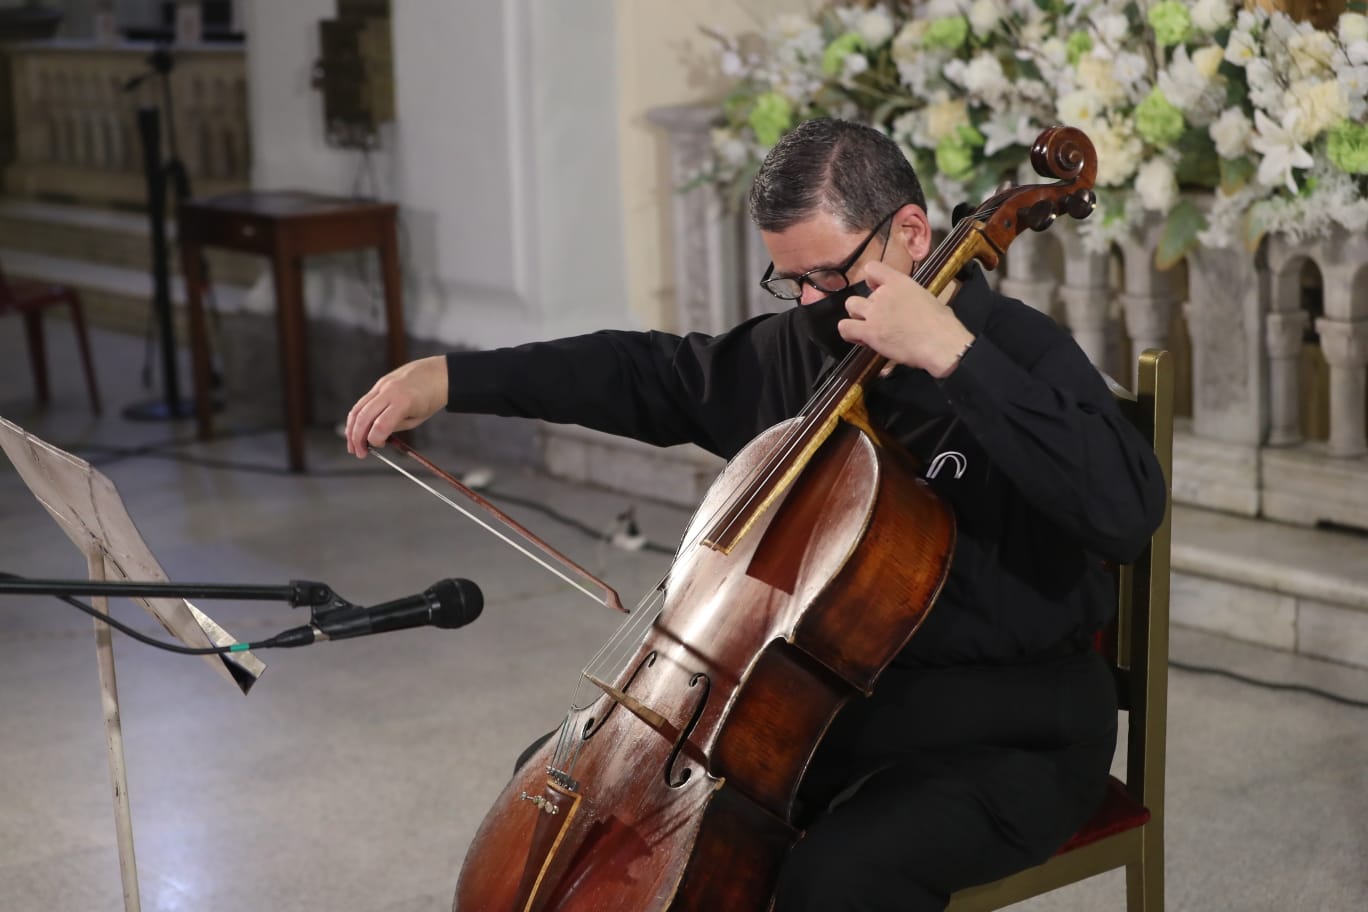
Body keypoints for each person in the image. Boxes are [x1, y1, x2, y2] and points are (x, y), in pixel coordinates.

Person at [344, 117, 1167, 912]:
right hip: (839, 712)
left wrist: (953, 357)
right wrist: (451, 379)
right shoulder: (812, 346)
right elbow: (647, 374)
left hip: (1016, 729)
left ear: (912, 233)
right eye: (791, 280)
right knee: (575, 801)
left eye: (829, 276)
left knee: (839, 879)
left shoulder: (1022, 353)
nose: (811, 302)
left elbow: (1127, 513)